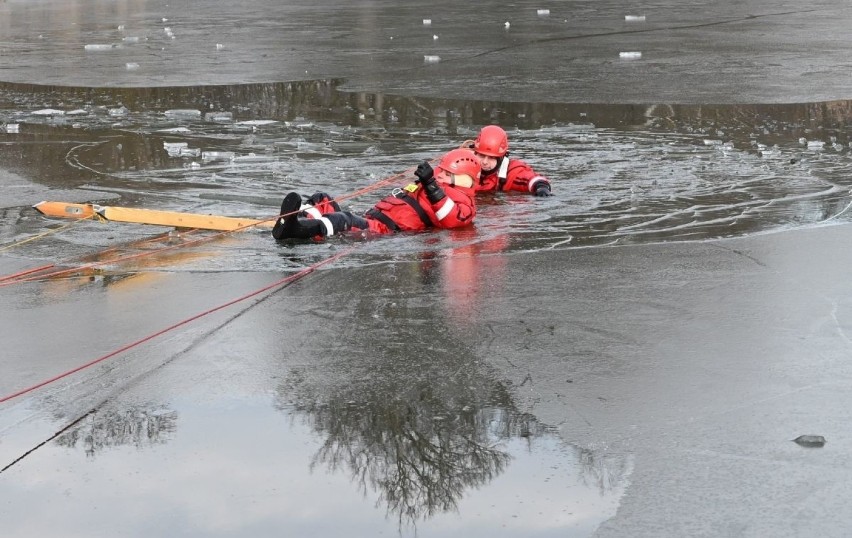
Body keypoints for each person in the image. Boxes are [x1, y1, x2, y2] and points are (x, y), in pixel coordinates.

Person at [272, 148, 480, 241]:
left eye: (447, 173)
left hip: (382, 230)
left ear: (466, 178)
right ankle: (298, 220)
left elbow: (451, 219)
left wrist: (431, 184)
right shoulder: (433, 183)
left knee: (341, 219)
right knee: (322, 198)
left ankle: (296, 230)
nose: (440, 174)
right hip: (371, 218)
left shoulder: (463, 203)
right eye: (441, 170)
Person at [469, 125, 553, 197]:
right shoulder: (462, 164)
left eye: (491, 158)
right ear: (475, 153)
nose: (485, 162)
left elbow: (529, 178)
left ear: (501, 158)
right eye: (481, 156)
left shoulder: (511, 172)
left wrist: (541, 187)